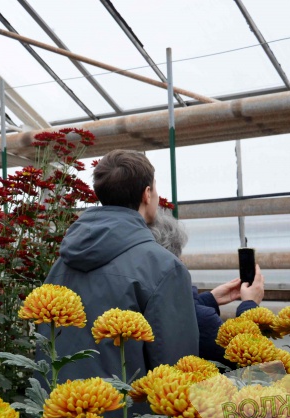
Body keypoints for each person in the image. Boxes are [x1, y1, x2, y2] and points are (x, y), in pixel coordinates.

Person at [40, 150, 200, 391]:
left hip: (60, 408)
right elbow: (176, 371)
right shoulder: (164, 267)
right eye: (155, 189)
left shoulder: (62, 263)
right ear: (147, 194)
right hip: (127, 413)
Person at [148, 209, 265, 367]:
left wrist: (208, 300)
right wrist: (250, 305)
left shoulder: (138, 299)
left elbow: (176, 305)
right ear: (177, 261)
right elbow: (247, 358)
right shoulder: (203, 320)